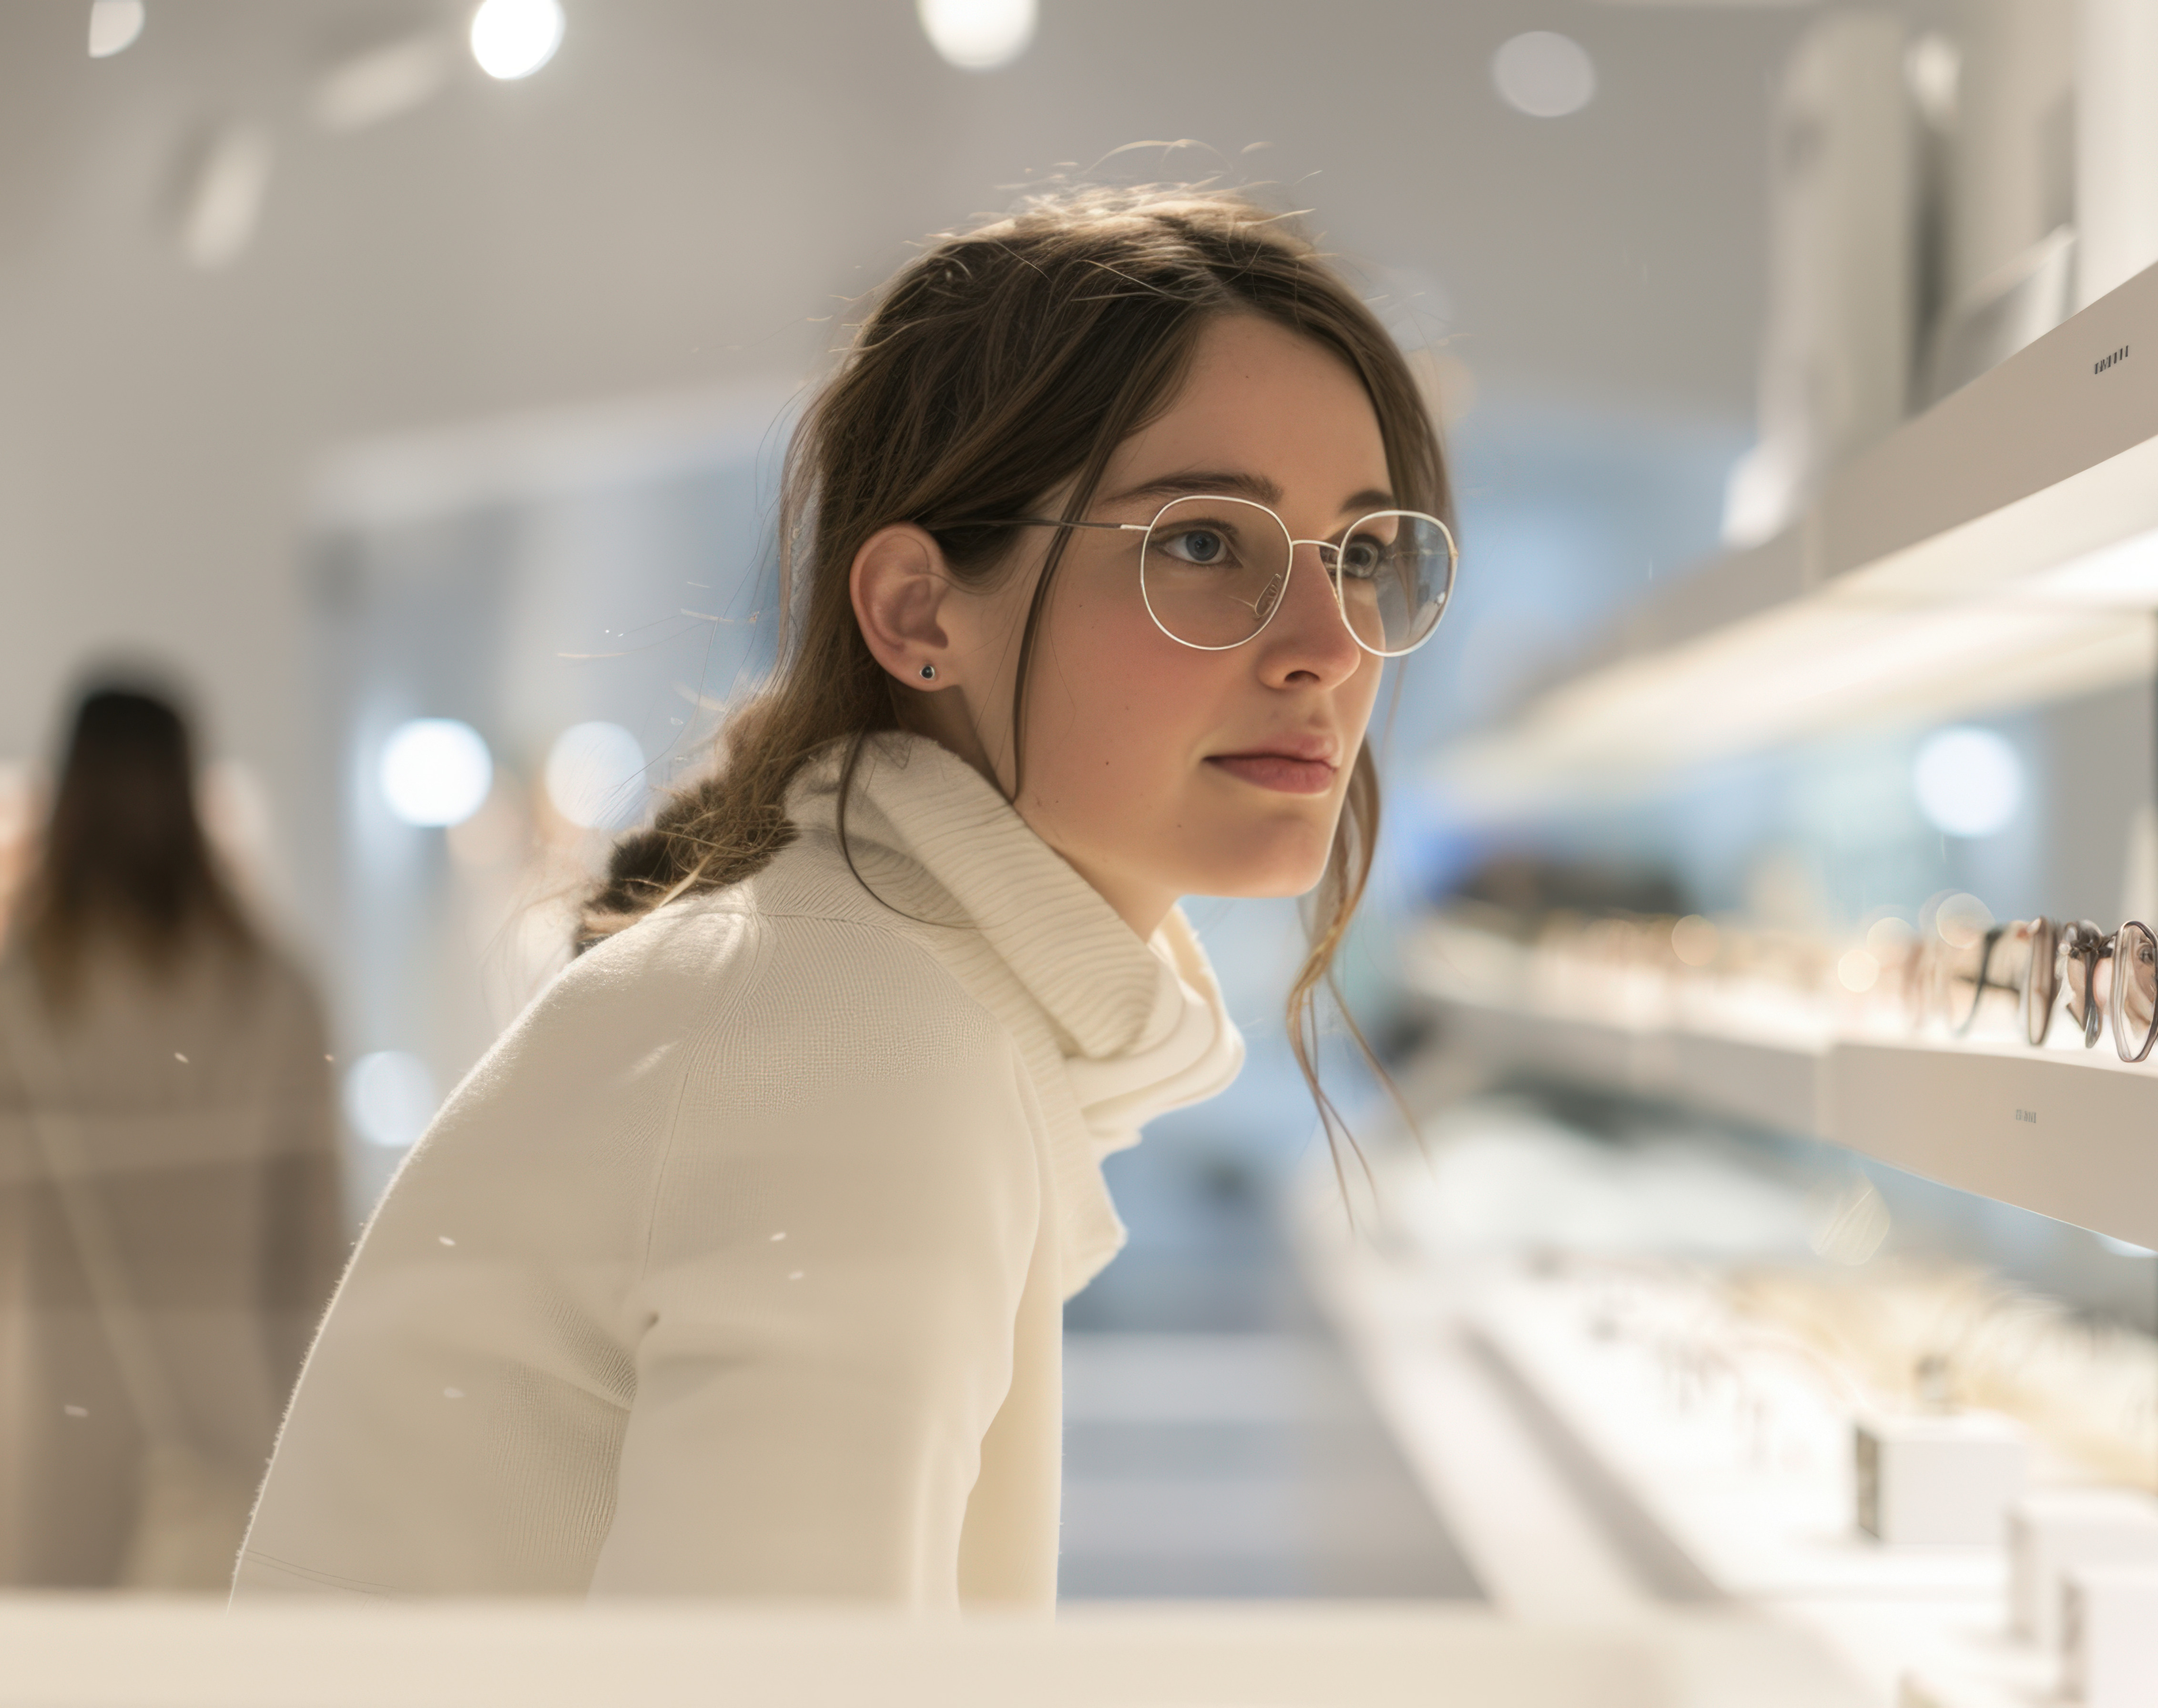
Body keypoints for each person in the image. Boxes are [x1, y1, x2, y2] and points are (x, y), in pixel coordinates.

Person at [235, 185, 1456, 1605]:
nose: (1328, 644)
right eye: (1202, 540)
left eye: (1363, 556)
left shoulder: (862, 984)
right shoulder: (869, 1041)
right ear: (918, 614)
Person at [0, 683, 343, 1591]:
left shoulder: (21, 991)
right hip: (233, 1398)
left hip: (49, 1403)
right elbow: (313, 1242)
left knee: (45, 1667)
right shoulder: (274, 987)